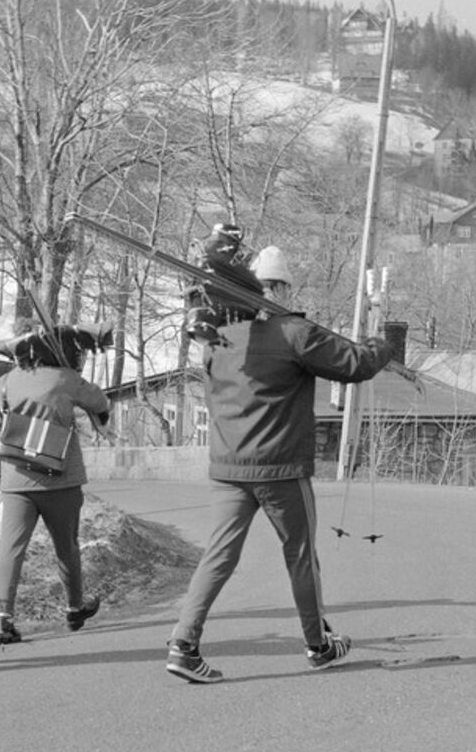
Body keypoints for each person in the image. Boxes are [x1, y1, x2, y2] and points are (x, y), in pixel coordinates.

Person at [165, 267, 393, 683]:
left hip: (229, 467)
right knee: (300, 554)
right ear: (274, 293)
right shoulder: (294, 333)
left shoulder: (217, 342)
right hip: (281, 467)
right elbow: (357, 363)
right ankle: (318, 645)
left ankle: (184, 644)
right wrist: (383, 338)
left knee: (218, 557)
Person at [0, 327, 112, 644]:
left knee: (11, 551)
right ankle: (74, 606)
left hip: (15, 479)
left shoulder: (6, 382)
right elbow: (99, 402)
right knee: (66, 546)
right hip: (61, 479)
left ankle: (4, 620)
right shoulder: (65, 379)